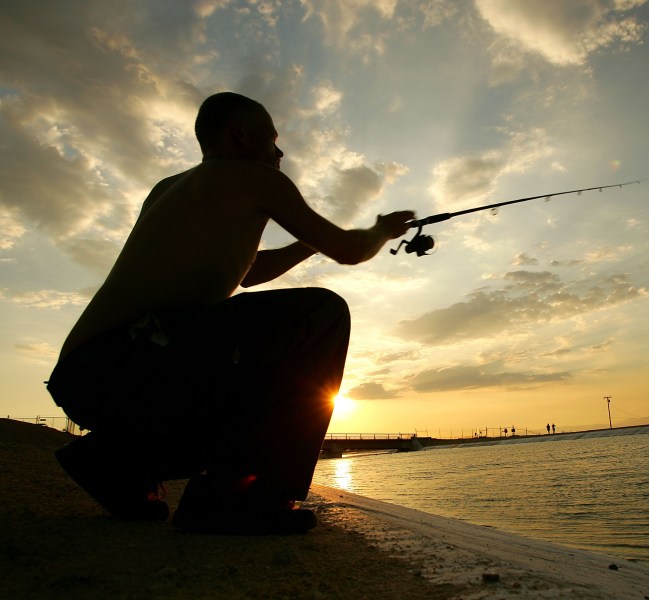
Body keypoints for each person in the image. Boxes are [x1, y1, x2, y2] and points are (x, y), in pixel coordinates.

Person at [46, 92, 414, 534]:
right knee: (323, 313)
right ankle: (240, 498)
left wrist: (308, 241)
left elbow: (250, 273)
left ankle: (113, 461)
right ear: (241, 134)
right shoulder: (255, 176)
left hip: (86, 376)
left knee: (241, 359)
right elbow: (351, 250)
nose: (280, 152)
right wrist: (381, 229)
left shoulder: (170, 188)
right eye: (273, 139)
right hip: (134, 360)